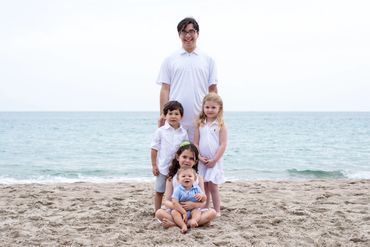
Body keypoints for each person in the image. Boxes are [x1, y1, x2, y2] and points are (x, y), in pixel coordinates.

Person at [156, 17, 218, 142]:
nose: (188, 35)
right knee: (175, 159)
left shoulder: (208, 59)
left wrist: (215, 116)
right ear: (179, 35)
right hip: (176, 120)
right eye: (184, 32)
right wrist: (163, 114)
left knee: (199, 158)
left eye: (191, 31)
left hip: (201, 120)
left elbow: (212, 89)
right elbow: (165, 89)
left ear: (197, 34)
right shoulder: (170, 59)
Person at [155, 142, 217, 228]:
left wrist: (193, 205)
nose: (187, 160)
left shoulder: (199, 178)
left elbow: (204, 201)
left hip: (195, 212)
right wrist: (178, 207)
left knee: (213, 213)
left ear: (195, 162)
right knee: (159, 213)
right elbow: (166, 202)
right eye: (184, 157)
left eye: (191, 158)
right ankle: (189, 224)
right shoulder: (171, 178)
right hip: (177, 212)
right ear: (177, 157)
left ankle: (176, 224)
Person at [151, 100, 189, 213]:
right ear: (165, 115)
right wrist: (154, 165)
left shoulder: (183, 133)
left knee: (175, 192)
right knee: (159, 191)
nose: (173, 116)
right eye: (170, 113)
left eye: (176, 114)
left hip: (177, 169)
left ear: (181, 116)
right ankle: (157, 211)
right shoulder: (160, 131)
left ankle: (173, 211)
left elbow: (186, 150)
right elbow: (154, 148)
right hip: (162, 168)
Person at [194, 93, 227, 217]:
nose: (210, 110)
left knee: (213, 186)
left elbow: (223, 144)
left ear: (219, 108)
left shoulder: (221, 125)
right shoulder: (200, 123)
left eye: (213, 107)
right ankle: (205, 208)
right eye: (207, 107)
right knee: (204, 186)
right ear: (203, 107)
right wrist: (199, 158)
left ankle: (217, 210)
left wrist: (214, 160)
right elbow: (195, 143)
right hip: (202, 160)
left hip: (215, 161)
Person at [171, 167, 206, 233]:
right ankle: (183, 225)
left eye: (190, 176)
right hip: (181, 211)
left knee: (197, 211)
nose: (187, 178)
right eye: (183, 176)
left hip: (193, 210)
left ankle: (193, 221)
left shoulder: (196, 188)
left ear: (194, 179)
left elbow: (204, 200)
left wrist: (202, 196)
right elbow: (174, 202)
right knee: (174, 212)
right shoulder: (178, 189)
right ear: (178, 180)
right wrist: (183, 212)